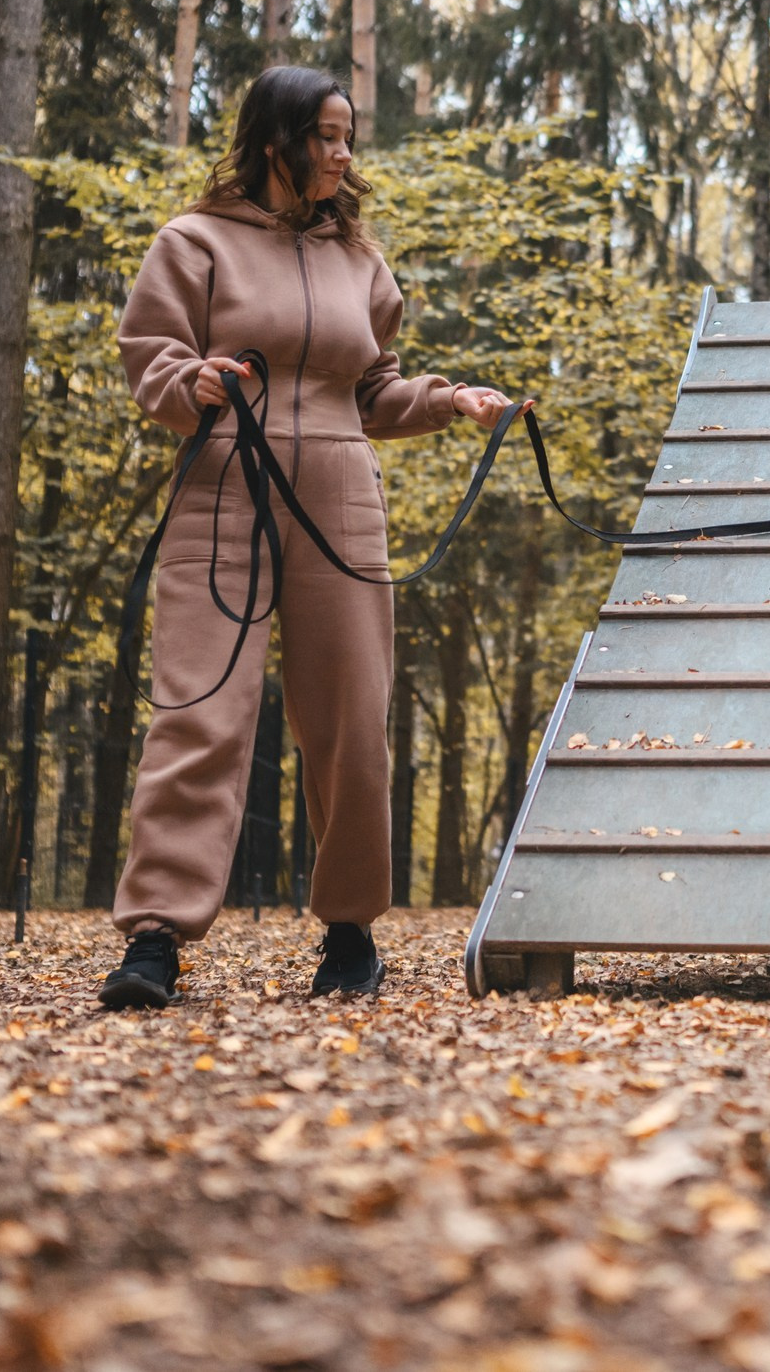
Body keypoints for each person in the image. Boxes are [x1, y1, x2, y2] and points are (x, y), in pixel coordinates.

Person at [96, 66, 514, 1009]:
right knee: (199, 707)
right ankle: (155, 938)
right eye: (326, 135)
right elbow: (150, 358)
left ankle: (351, 932)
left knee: (352, 719)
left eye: (347, 136)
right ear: (275, 140)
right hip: (221, 488)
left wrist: (450, 400)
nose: (342, 153)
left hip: (341, 496)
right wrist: (192, 382)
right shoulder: (193, 242)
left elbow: (373, 392)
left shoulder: (360, 261)